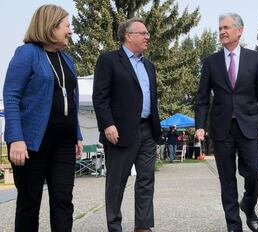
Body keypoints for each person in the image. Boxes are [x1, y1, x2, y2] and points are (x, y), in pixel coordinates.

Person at [3, 4, 83, 232]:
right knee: (30, 202)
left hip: (64, 142)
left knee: (63, 201)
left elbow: (72, 100)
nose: (70, 30)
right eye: (67, 25)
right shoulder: (27, 53)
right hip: (31, 142)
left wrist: (76, 133)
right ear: (51, 26)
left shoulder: (67, 60)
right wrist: (16, 138)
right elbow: (10, 97)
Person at [195, 13, 258, 232]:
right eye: (219, 28)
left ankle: (248, 203)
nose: (222, 32)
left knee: (255, 171)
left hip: (249, 125)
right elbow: (201, 98)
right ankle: (233, 225)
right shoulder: (211, 62)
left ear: (240, 30)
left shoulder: (255, 59)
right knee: (227, 179)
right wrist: (200, 125)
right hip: (221, 129)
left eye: (226, 27)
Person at [92, 17, 161, 232]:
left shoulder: (149, 65)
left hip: (148, 130)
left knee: (146, 180)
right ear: (128, 36)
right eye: (143, 33)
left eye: (148, 33)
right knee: (116, 183)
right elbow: (100, 97)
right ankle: (115, 226)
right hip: (120, 132)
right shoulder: (109, 60)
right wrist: (107, 124)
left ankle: (143, 226)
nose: (147, 37)